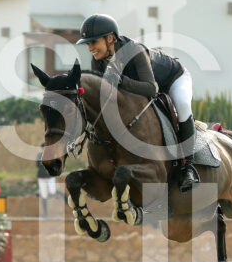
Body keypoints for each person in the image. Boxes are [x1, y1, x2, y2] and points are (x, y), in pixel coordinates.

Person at [76, 13, 200, 193]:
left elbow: (151, 89)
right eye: (88, 44)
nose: (90, 48)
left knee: (182, 106)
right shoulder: (99, 61)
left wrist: (121, 81)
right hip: (143, 87)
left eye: (93, 42)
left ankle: (188, 167)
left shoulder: (135, 51)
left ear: (109, 38)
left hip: (173, 78)